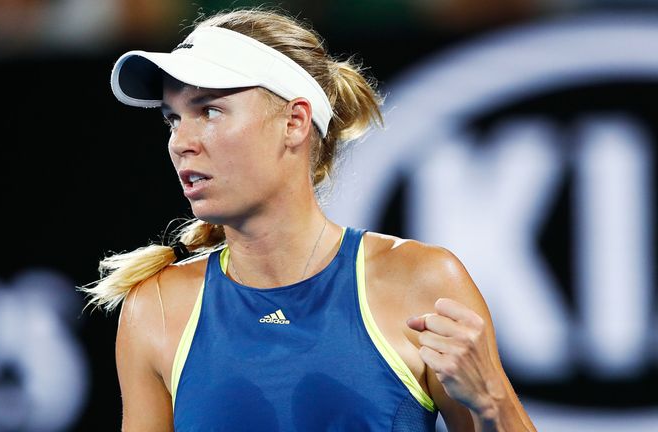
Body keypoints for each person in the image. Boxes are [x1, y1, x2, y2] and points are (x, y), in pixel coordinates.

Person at [82, 7, 536, 432]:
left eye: (209, 111)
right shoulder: (154, 308)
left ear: (295, 122)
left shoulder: (423, 282)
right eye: (172, 119)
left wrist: (494, 400)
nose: (180, 141)